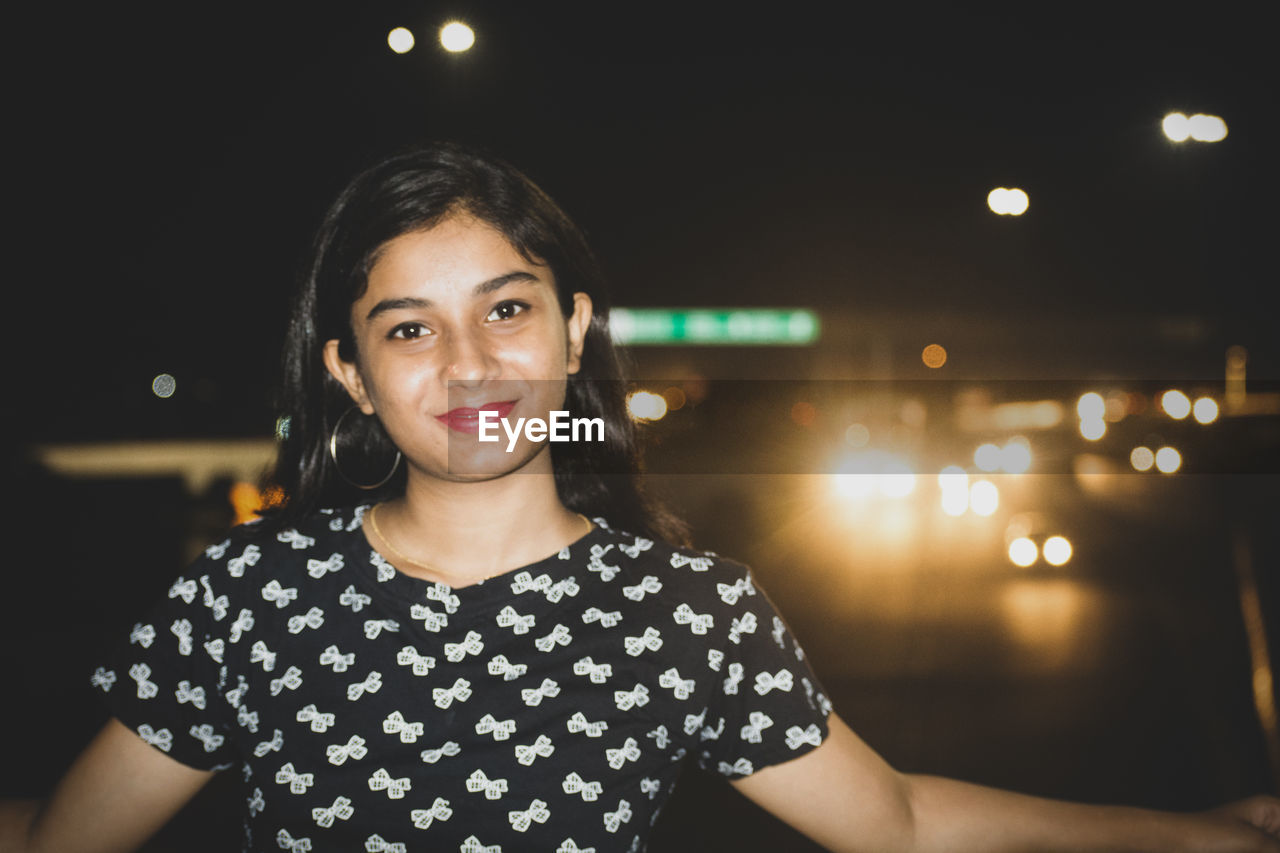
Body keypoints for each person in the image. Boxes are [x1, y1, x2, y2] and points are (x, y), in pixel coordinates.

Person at [2, 142, 1278, 853]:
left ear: (571, 330)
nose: (467, 366)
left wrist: (1200, 837)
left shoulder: (682, 612)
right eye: (407, 330)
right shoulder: (250, 594)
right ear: (348, 376)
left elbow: (893, 819)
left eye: (505, 311)